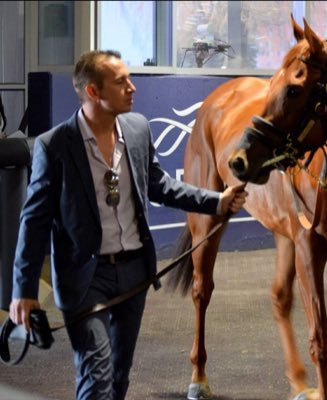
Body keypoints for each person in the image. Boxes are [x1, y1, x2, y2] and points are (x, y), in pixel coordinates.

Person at [9, 50, 247, 400]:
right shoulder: (55, 146)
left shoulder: (137, 130)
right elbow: (33, 222)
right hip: (85, 279)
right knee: (97, 374)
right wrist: (23, 290)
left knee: (118, 378)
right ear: (93, 92)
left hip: (135, 271)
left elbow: (160, 185)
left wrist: (217, 201)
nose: (132, 88)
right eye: (121, 82)